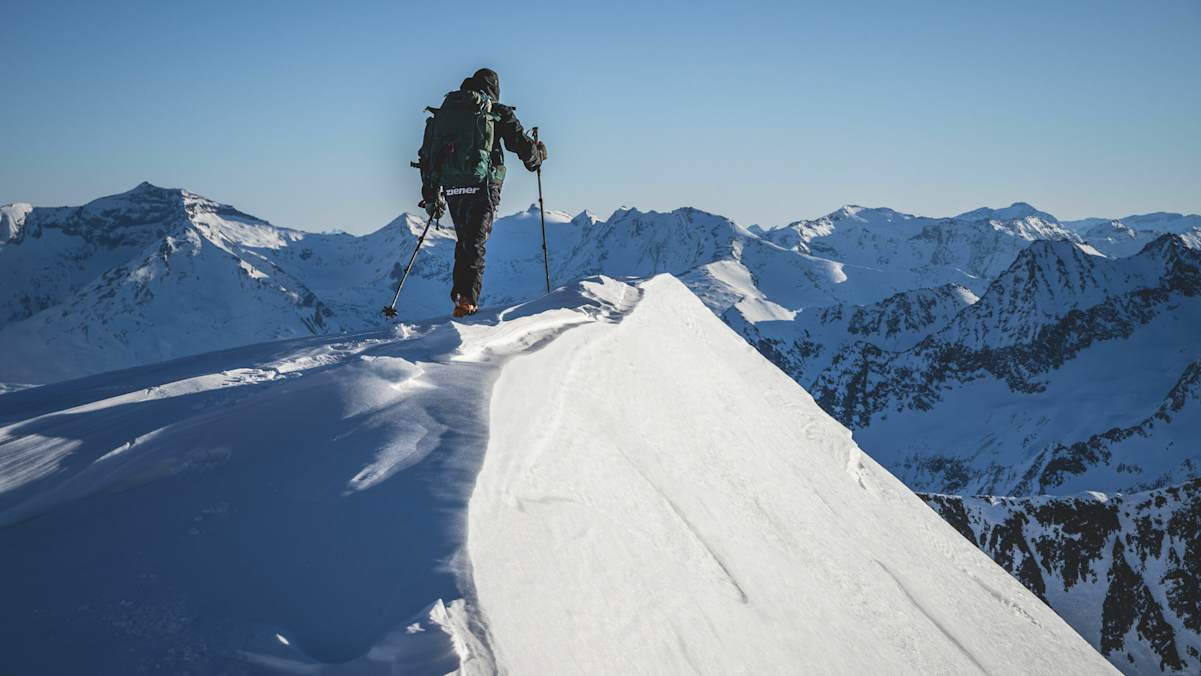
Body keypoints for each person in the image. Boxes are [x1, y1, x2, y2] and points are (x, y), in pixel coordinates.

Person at [418, 68, 547, 318]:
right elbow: (521, 145)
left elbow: (429, 154)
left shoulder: (448, 113)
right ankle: (467, 300)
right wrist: (538, 155)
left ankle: (460, 296)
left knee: (466, 239)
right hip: (483, 184)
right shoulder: (495, 111)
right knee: (476, 241)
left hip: (452, 186)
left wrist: (432, 194)